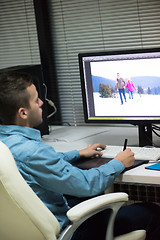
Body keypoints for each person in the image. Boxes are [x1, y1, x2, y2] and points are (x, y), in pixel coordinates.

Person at [0, 71, 160, 240]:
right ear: (23, 113)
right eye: (36, 100)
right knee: (152, 212)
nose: (41, 103)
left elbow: (38, 163)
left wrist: (77, 153)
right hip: (66, 231)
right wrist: (119, 162)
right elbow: (86, 184)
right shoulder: (33, 152)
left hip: (26, 229)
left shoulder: (8, 143)